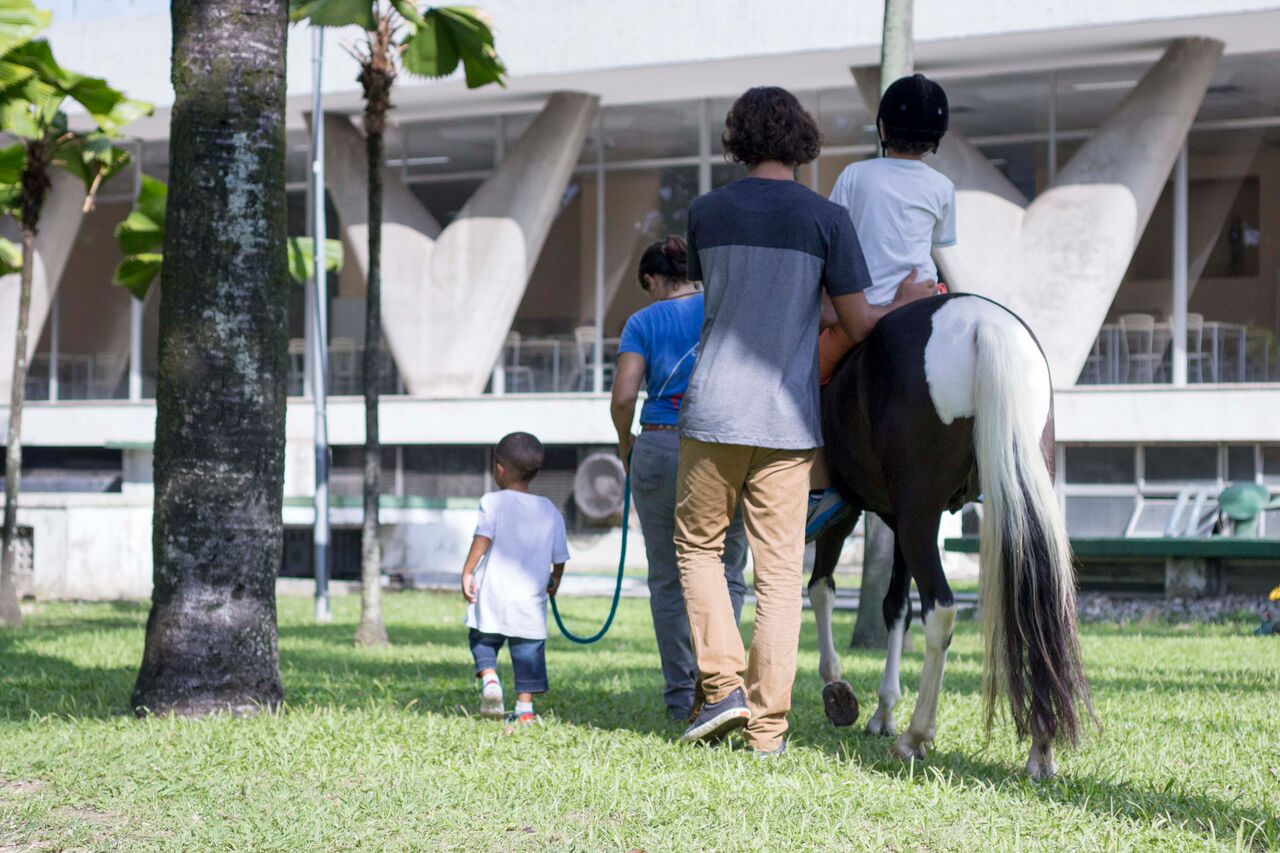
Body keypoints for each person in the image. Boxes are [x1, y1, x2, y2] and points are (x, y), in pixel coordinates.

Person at [674, 86, 937, 755]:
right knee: (781, 572)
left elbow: (727, 299)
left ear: (737, 138)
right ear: (802, 141)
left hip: (711, 411)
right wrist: (904, 299)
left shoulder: (705, 213)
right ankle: (766, 729)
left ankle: (721, 685)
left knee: (701, 550)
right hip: (789, 422)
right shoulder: (826, 218)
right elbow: (854, 322)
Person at [806, 73, 957, 541]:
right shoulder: (942, 186)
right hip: (927, 302)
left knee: (802, 379)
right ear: (937, 138)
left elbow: (836, 244)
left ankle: (822, 488)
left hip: (863, 319)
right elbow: (935, 246)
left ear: (883, 127)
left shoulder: (855, 175)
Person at [610, 235, 750, 724]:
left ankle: (679, 697)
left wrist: (627, 446)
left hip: (662, 443)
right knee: (728, 568)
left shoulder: (643, 321)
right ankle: (724, 687)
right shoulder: (722, 306)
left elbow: (625, 396)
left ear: (651, 278)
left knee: (668, 579)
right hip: (723, 443)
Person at [460, 431, 569, 726]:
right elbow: (559, 558)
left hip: (493, 594)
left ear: (499, 467)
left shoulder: (492, 502)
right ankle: (524, 710)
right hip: (529, 602)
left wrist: (468, 571)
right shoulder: (549, 510)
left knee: (482, 639)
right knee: (528, 653)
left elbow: (482, 539)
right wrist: (554, 580)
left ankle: (491, 679)